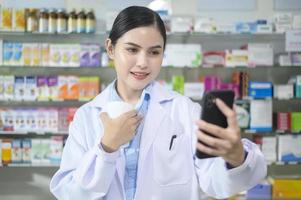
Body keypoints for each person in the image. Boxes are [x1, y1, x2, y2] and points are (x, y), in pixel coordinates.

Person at [50, 6, 267, 200]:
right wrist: (106, 147)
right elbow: (69, 193)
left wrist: (236, 157)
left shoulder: (185, 111)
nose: (143, 63)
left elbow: (215, 184)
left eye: (154, 52)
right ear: (110, 48)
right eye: (132, 50)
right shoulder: (86, 116)